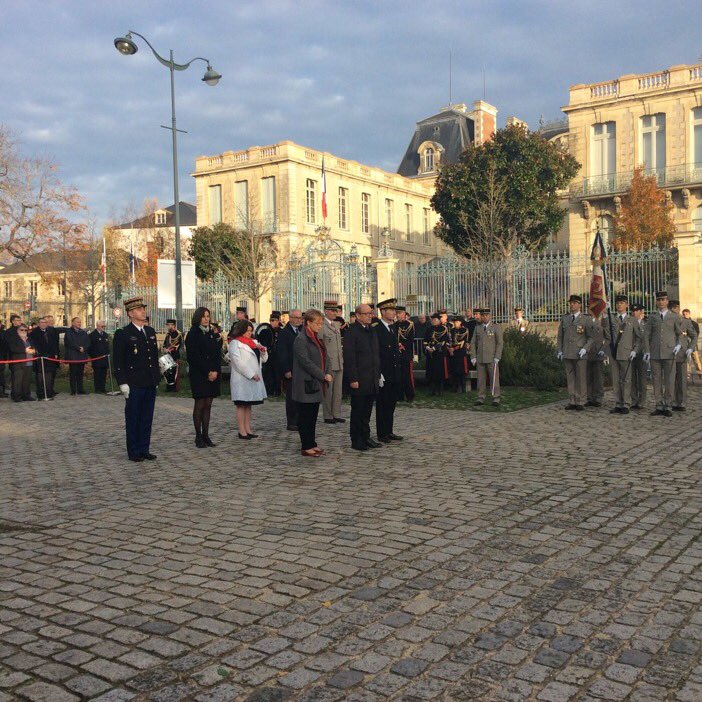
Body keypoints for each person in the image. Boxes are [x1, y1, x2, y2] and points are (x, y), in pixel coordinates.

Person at [113, 297, 161, 462]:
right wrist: (122, 382)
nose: (143, 312)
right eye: (139, 310)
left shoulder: (150, 331)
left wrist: (156, 378)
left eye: (143, 309)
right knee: (133, 418)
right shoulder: (123, 333)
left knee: (147, 418)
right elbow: (118, 361)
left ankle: (144, 449)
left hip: (149, 381)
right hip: (134, 383)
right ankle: (134, 451)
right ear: (131, 314)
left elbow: (153, 357)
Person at [292, 309, 333, 457]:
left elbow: (326, 357)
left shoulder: (316, 338)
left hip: (316, 382)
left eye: (321, 323)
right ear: (308, 322)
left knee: (313, 416)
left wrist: (328, 371)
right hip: (306, 384)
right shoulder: (301, 339)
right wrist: (322, 375)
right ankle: (306, 445)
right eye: (317, 323)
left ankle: (312, 442)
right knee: (305, 417)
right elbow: (305, 362)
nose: (320, 326)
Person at [344, 303, 381, 452]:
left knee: (367, 411)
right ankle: (356, 439)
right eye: (367, 314)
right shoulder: (352, 331)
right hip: (359, 378)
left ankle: (366, 436)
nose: (370, 316)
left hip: (371, 377)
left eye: (371, 313)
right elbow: (350, 357)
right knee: (358, 411)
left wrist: (378, 373)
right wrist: (353, 379)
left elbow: (375, 353)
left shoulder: (371, 330)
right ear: (358, 315)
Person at [185, 307, 221, 447]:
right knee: (200, 404)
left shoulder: (211, 333)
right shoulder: (193, 333)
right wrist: (207, 372)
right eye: (204, 316)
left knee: (208, 404)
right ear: (198, 317)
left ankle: (206, 435)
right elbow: (193, 357)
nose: (206, 319)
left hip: (213, 373)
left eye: (208, 316)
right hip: (199, 374)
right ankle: (198, 436)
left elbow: (216, 354)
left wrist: (215, 371)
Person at [644, 291, 682, 417]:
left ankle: (668, 405)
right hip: (655, 353)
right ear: (656, 302)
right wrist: (647, 351)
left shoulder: (674, 316)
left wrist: (678, 345)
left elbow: (680, 333)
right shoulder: (652, 317)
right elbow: (646, 335)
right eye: (659, 300)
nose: (661, 302)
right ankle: (659, 405)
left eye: (663, 300)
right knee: (656, 380)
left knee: (670, 380)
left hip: (669, 352)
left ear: (667, 301)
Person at [229, 319, 267, 440]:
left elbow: (263, 359)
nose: (249, 333)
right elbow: (237, 362)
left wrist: (263, 351)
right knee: (241, 405)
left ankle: (248, 429)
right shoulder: (235, 343)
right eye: (247, 331)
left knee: (249, 405)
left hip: (254, 378)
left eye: (251, 331)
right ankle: (242, 431)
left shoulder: (254, 342)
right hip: (242, 379)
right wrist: (251, 374)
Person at [557, 294, 595, 411]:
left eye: (574, 303)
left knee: (581, 378)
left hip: (580, 353)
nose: (572, 305)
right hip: (568, 352)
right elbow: (560, 336)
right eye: (571, 303)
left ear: (580, 305)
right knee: (570, 377)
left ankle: (581, 401)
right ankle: (572, 400)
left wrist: (585, 348)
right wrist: (560, 350)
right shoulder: (565, 318)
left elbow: (591, 337)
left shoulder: (586, 319)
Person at [607, 295, 643, 415]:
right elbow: (606, 333)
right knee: (616, 379)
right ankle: (618, 403)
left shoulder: (632, 320)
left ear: (627, 305)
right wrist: (605, 312)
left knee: (626, 379)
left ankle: (626, 403)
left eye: (622, 303)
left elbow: (638, 337)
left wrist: (635, 350)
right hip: (614, 353)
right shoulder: (611, 319)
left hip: (627, 353)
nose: (619, 305)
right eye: (617, 303)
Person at [374, 298, 403, 443]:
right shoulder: (377, 328)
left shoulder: (392, 328)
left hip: (393, 371)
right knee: (382, 404)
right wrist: (378, 372)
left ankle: (389, 430)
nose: (394, 313)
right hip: (384, 372)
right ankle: (382, 433)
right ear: (383, 312)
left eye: (394, 310)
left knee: (391, 403)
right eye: (391, 310)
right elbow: (376, 352)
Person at [277, 309, 303, 431]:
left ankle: (300, 420)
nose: (299, 320)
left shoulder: (302, 331)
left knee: (301, 396)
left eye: (300, 318)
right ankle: (292, 422)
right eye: (296, 318)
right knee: (292, 397)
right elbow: (282, 353)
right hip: (291, 369)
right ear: (290, 318)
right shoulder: (284, 332)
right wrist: (286, 369)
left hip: (302, 369)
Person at [471, 308, 503, 406]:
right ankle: (480, 397)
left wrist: (497, 356)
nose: (485, 317)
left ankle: (496, 397)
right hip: (480, 358)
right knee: (480, 379)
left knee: (494, 379)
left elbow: (500, 343)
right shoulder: (478, 328)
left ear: (490, 316)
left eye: (486, 315)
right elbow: (473, 342)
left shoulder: (495, 327)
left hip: (492, 358)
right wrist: (473, 356)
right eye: (483, 315)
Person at [669, 299, 697, 412]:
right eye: (671, 309)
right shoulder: (666, 321)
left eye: (675, 309)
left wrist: (690, 348)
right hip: (669, 354)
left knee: (681, 379)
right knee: (670, 380)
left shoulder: (685, 322)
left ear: (678, 308)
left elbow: (694, 336)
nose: (673, 311)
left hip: (681, 354)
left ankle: (681, 402)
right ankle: (672, 401)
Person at [320, 301, 345, 424]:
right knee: (328, 391)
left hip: (339, 362)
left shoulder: (336, 325)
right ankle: (328, 415)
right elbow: (320, 345)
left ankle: (336, 413)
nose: (335, 313)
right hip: (328, 363)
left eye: (336, 311)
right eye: (332, 310)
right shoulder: (321, 325)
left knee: (338, 391)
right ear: (326, 311)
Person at [28, 317, 59, 399]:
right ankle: (41, 394)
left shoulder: (50, 331)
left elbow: (54, 343)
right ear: (38, 324)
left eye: (45, 322)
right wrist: (38, 353)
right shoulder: (34, 333)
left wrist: (55, 353)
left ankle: (49, 393)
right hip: (40, 357)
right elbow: (33, 344)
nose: (43, 324)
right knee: (40, 377)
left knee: (49, 376)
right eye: (42, 322)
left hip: (50, 357)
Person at [7, 323, 36, 401]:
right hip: (18, 363)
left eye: (25, 330)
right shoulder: (13, 339)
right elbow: (12, 348)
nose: (23, 331)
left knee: (27, 380)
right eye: (21, 330)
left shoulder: (29, 339)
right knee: (18, 381)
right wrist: (24, 350)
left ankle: (26, 395)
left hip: (29, 362)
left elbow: (34, 347)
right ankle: (16, 396)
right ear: (18, 331)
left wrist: (34, 351)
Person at [424, 313, 450, 395]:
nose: (433, 321)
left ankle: (440, 390)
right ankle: (432, 390)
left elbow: (443, 341)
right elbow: (425, 340)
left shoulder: (443, 329)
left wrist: (434, 348)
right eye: (432, 320)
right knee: (431, 372)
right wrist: (427, 347)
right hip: (430, 353)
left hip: (439, 353)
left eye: (435, 320)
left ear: (439, 320)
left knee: (439, 372)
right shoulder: (429, 329)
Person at [256, 312, 282, 396]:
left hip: (277, 355)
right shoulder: (265, 331)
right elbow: (260, 340)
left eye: (274, 320)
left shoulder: (281, 331)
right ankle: (269, 390)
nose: (272, 322)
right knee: (268, 373)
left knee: (277, 373)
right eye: (271, 320)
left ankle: (277, 390)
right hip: (268, 355)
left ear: (278, 321)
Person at [586, 313, 607, 408]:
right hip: (587, 352)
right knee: (588, 377)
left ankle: (598, 398)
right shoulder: (586, 321)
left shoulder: (602, 322)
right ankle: (589, 397)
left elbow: (608, 337)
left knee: (598, 377)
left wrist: (603, 349)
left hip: (598, 352)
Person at [64, 317, 90, 395]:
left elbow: (88, 342)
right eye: (77, 322)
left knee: (80, 374)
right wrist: (78, 348)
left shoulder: (83, 332)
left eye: (80, 322)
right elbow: (69, 342)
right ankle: (73, 390)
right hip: (73, 356)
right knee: (73, 374)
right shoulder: (68, 332)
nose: (79, 323)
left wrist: (84, 348)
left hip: (81, 356)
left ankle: (80, 389)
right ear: (73, 323)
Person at [396, 306, 415, 402]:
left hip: (406, 353)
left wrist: (402, 345)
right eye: (396, 313)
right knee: (398, 375)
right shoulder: (395, 324)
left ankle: (410, 395)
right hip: (397, 353)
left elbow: (411, 339)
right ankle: (399, 395)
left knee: (407, 375)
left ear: (404, 313)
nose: (397, 315)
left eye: (399, 313)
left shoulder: (410, 325)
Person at [630, 304, 648, 409]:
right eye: (633, 311)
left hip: (642, 353)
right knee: (632, 378)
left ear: (641, 311)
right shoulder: (629, 322)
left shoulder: (646, 323)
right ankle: (633, 399)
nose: (634, 313)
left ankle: (642, 400)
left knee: (642, 379)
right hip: (631, 353)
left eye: (636, 311)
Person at [448, 315, 469, 393]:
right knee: (454, 370)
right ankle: (455, 387)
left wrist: (454, 348)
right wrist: (450, 349)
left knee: (462, 371)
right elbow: (449, 340)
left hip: (461, 352)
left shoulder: (464, 330)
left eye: (456, 322)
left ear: (460, 322)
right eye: (454, 322)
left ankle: (463, 388)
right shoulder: (451, 330)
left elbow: (463, 342)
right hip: (453, 353)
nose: (455, 323)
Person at [88, 321, 110, 394]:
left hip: (104, 358)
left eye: (104, 326)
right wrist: (94, 356)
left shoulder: (105, 335)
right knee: (97, 374)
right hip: (97, 359)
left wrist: (107, 354)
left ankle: (103, 388)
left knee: (103, 374)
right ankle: (97, 389)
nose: (104, 328)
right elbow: (89, 348)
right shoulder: (92, 335)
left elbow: (107, 346)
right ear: (97, 326)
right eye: (102, 326)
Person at [162, 319, 183, 392]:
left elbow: (178, 345)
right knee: (168, 372)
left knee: (174, 372)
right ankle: (169, 387)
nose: (169, 326)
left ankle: (174, 388)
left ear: (174, 325)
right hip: (168, 355)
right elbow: (165, 343)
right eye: (168, 325)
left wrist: (169, 349)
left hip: (174, 355)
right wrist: (165, 348)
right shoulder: (168, 334)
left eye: (170, 325)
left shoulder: (178, 334)